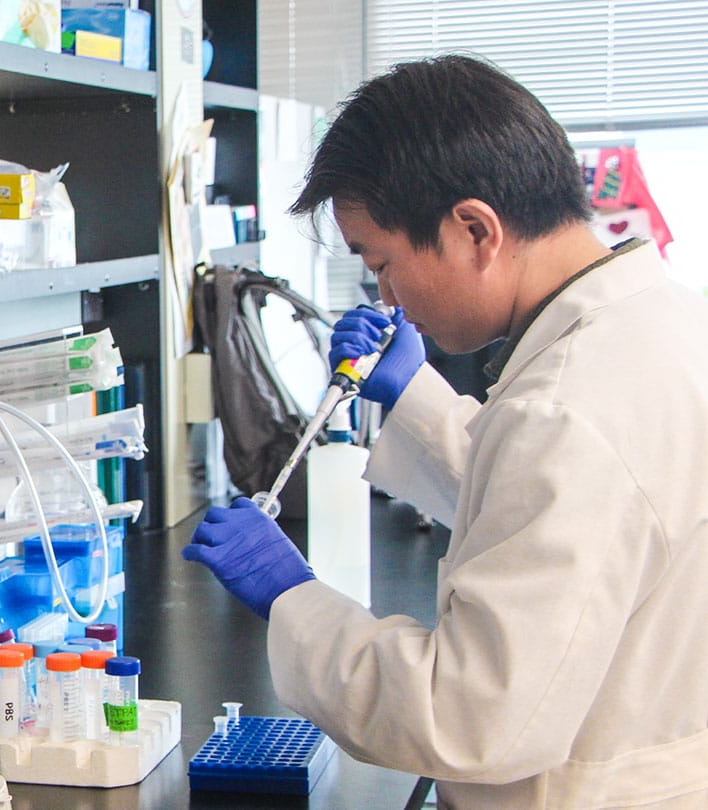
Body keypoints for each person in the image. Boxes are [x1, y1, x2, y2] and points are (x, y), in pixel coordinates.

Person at [182, 53, 708, 809]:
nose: (386, 295)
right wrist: (413, 394)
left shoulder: (566, 408)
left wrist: (293, 598)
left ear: (474, 230)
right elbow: (560, 512)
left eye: (382, 262)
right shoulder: (668, 322)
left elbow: (465, 714)